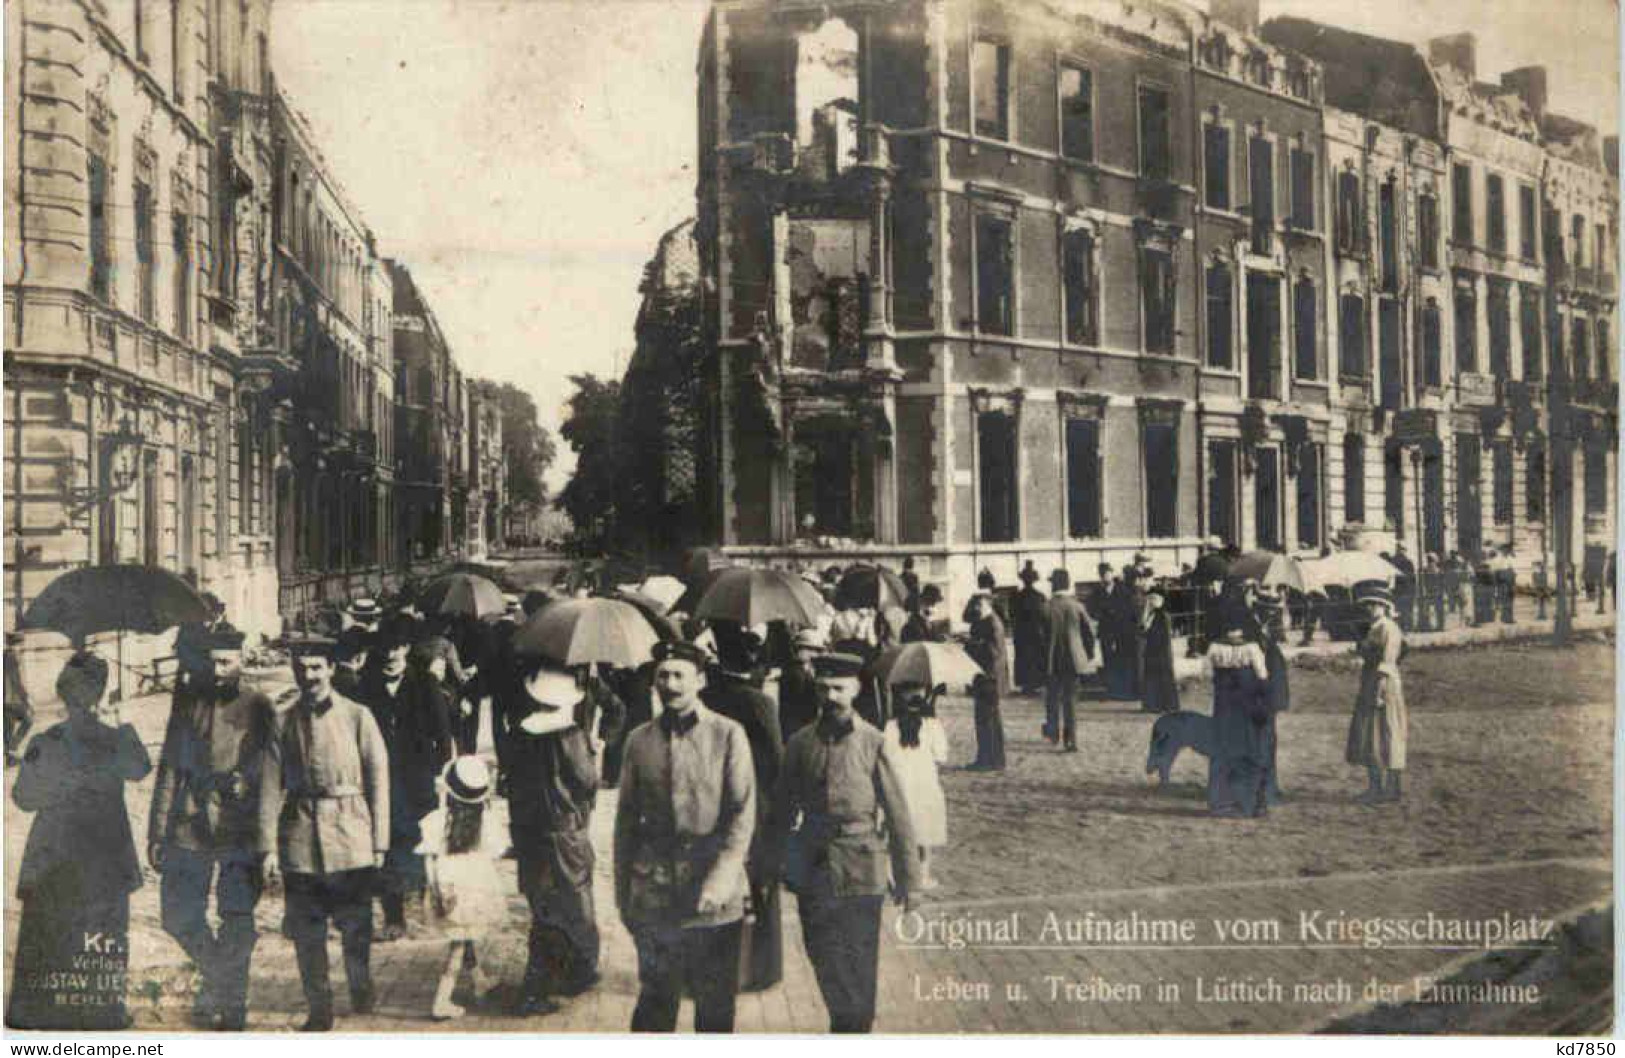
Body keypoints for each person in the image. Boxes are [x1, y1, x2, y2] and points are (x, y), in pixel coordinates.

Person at [768, 652, 919, 1033]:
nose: (830, 695)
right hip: (813, 864)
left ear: (856, 689)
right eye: (823, 688)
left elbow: (899, 816)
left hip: (860, 865)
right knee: (823, 956)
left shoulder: (874, 742)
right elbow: (782, 811)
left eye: (839, 688)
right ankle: (845, 1024)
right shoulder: (801, 743)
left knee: (858, 959)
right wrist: (769, 866)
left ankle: (852, 1032)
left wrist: (909, 881)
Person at [614, 639, 755, 1033]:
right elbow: (625, 824)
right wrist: (624, 894)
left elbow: (742, 815)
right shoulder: (638, 740)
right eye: (663, 675)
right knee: (655, 1004)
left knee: (713, 1009)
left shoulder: (729, 735)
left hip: (713, 895)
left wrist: (721, 879)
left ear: (701, 680)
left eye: (679, 675)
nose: (670, 684)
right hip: (655, 892)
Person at [7, 652, 151, 1030]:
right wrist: (123, 726)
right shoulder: (113, 739)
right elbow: (140, 769)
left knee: (51, 932)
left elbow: (23, 799)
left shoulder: (45, 740)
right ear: (101, 695)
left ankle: (39, 1012)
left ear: (63, 695)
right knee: (102, 936)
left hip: (54, 858)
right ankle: (103, 1012)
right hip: (105, 857)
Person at [258, 635, 390, 1032]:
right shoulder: (282, 720)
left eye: (317, 667)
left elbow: (378, 777)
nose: (309, 674)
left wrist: (380, 841)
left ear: (331, 669)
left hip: (350, 833)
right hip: (300, 835)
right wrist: (266, 847)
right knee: (306, 930)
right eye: (302, 668)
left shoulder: (357, 716)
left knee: (356, 926)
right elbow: (268, 785)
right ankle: (320, 1009)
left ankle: (361, 986)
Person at [148, 624, 273, 1030]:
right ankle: (222, 980)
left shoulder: (259, 705)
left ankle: (232, 1006)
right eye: (212, 661)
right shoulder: (188, 704)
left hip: (239, 823)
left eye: (226, 662)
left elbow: (272, 769)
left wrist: (248, 786)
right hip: (189, 819)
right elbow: (169, 768)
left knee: (236, 916)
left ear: (241, 660)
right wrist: (157, 831)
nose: (218, 670)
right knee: (178, 915)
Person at [504, 662, 600, 1014]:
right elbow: (587, 782)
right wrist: (595, 753)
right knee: (571, 904)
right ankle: (550, 981)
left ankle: (554, 976)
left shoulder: (520, 731)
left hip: (528, 829)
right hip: (563, 830)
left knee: (542, 903)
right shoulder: (569, 734)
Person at [701, 628, 785, 993]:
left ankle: (715, 966)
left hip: (712, 799)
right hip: (758, 799)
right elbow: (777, 759)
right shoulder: (760, 703)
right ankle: (759, 966)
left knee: (717, 872)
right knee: (760, 879)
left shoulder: (706, 696)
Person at [363, 625, 455, 941]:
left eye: (397, 648)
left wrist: (441, 775)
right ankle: (394, 917)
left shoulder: (425, 683)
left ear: (405, 649)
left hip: (417, 777)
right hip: (381, 778)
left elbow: (443, 735)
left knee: (420, 842)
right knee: (386, 844)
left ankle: (430, 905)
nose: (390, 655)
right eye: (385, 649)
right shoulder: (368, 682)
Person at [418, 757, 506, 1021]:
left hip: (447, 885)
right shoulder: (486, 821)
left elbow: (428, 858)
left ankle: (478, 979)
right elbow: (496, 852)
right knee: (457, 946)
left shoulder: (437, 820)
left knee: (464, 938)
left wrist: (434, 888)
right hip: (474, 886)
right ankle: (441, 1001)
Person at [1345, 586, 1408, 806]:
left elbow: (1389, 660)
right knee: (1370, 733)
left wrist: (1380, 689)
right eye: (1369, 605)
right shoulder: (1374, 627)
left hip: (1384, 683)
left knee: (1387, 731)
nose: (1371, 608)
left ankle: (1392, 787)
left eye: (1375, 604)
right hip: (1370, 680)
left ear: (1385, 606)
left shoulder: (1389, 628)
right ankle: (1375, 786)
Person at [883, 684, 948, 890]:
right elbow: (941, 756)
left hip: (899, 784)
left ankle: (890, 875)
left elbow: (885, 756)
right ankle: (923, 875)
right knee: (924, 834)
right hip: (925, 784)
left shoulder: (891, 726)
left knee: (894, 831)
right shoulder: (932, 725)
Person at [1205, 627, 1271, 818]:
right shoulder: (1251, 648)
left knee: (1223, 748)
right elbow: (1262, 675)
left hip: (1224, 705)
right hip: (1246, 704)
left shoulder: (1215, 647)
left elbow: (1206, 673)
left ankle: (1221, 801)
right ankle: (1250, 802)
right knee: (1249, 748)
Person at [1044, 569, 1095, 751]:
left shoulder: (1046, 606)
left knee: (1052, 699)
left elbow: (1038, 637)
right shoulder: (1077, 606)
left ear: (1053, 585)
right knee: (1070, 700)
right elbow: (1089, 633)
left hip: (1052, 661)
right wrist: (1086, 655)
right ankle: (1071, 739)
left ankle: (1053, 734)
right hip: (1074, 661)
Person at [1252, 595, 1291, 805]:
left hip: (1269, 696)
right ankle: (1264, 788)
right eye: (1271, 610)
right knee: (1263, 741)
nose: (1274, 614)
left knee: (1268, 740)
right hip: (1262, 695)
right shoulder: (1257, 634)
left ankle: (1270, 785)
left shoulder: (1268, 634)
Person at [964, 593, 1008, 770]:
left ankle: (988, 760)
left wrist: (971, 644)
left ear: (988, 605)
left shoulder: (992, 623)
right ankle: (992, 759)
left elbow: (993, 652)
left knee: (987, 720)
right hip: (986, 678)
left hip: (989, 678)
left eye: (980, 605)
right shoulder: (986, 621)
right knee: (987, 720)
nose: (977, 609)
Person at [778, 629, 825, 744]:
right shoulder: (795, 672)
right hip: (797, 723)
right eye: (812, 650)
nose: (816, 654)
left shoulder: (803, 670)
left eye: (817, 651)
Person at [1139, 586, 1180, 715]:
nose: (1151, 601)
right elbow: (1142, 629)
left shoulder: (1163, 616)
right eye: (1150, 599)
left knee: (1163, 677)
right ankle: (1153, 704)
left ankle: (1167, 705)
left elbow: (1159, 634)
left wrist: (1147, 629)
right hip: (1153, 650)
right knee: (1152, 677)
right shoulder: (1151, 614)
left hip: (1161, 651)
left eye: (1154, 599)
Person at [1010, 562, 1048, 695]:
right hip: (1036, 633)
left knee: (1024, 658)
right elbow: (1044, 616)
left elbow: (1012, 615)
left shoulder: (1016, 596)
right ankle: (1036, 683)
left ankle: (1026, 683)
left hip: (1022, 633)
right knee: (1035, 657)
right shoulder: (1040, 596)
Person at [4, 632, 33, 765]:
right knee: (28, 721)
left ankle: (9, 757)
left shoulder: (4, 656)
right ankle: (12, 749)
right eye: (20, 644)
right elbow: (17, 681)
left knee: (8, 728)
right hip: (13, 699)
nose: (22, 647)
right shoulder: (13, 657)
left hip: (4, 699)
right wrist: (26, 698)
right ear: (15, 644)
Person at [1389, 543, 1416, 632]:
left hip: (1404, 589)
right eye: (1400, 550)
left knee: (1404, 609)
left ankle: (1406, 627)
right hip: (1402, 589)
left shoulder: (1404, 562)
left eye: (1402, 550)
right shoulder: (1397, 561)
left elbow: (1413, 577)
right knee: (1403, 609)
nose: (1401, 552)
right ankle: (1405, 627)